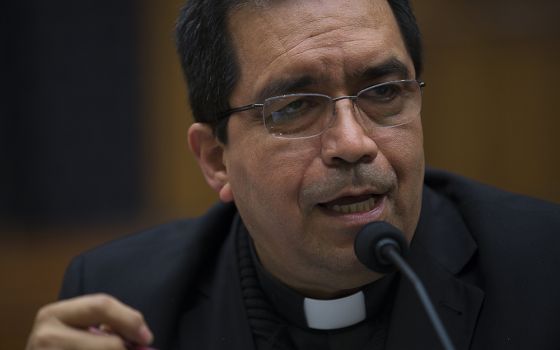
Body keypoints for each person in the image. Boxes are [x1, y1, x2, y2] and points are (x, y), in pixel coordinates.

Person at [26, 0, 560, 349]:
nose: (353, 143)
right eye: (294, 107)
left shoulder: (545, 270)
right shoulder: (126, 303)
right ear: (216, 159)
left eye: (383, 93)